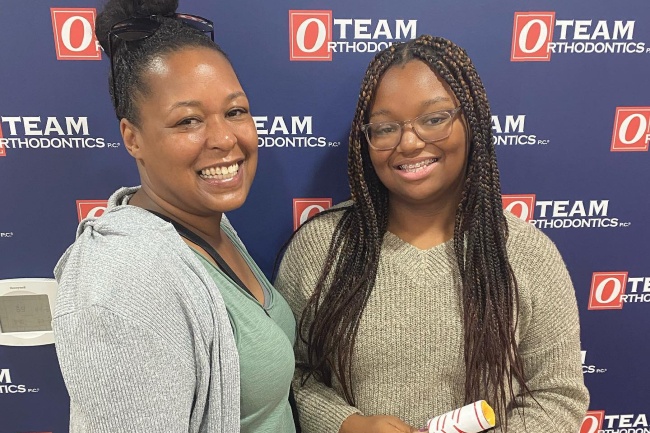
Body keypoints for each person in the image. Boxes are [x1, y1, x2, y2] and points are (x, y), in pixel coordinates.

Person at [275, 35, 589, 433]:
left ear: (470, 121)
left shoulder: (527, 253)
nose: (409, 142)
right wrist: (345, 423)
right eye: (385, 127)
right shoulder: (320, 248)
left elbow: (557, 395)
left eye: (434, 119)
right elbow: (292, 374)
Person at [52, 1, 297, 432]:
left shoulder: (204, 221)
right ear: (133, 138)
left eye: (235, 111)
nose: (224, 138)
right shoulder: (125, 281)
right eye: (188, 121)